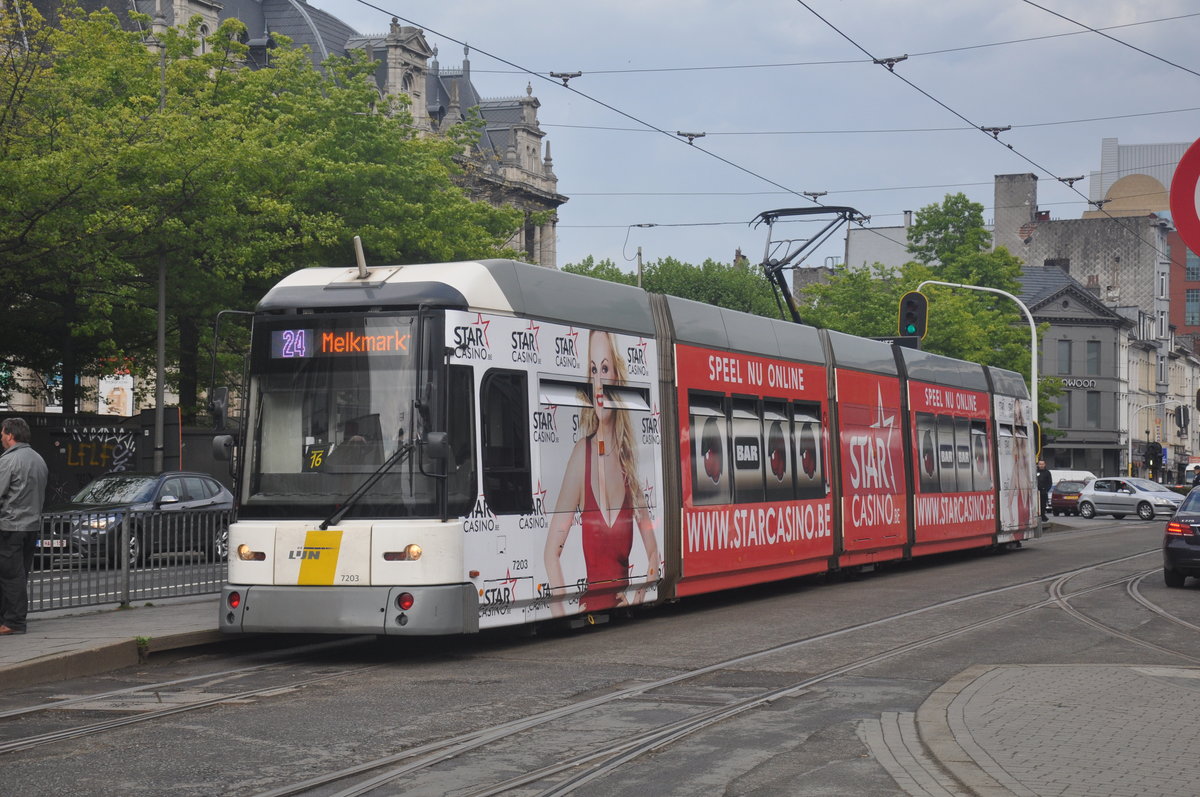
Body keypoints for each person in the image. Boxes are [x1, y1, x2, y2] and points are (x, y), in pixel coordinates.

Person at [544, 331, 659, 616]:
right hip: (590, 615)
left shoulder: (628, 464)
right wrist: (561, 610)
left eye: (604, 369)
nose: (598, 381)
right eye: (593, 370)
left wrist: (639, 596)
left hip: (625, 620)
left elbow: (654, 554)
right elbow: (551, 554)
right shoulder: (580, 456)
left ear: (617, 378)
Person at [0, 418, 48, 635]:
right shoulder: (38, 459)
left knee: (10, 576)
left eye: (2, 434)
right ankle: (10, 617)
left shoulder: (9, 461)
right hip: (31, 526)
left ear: (10, 435)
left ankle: (13, 622)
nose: (1, 437)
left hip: (10, 526)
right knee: (20, 574)